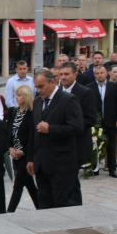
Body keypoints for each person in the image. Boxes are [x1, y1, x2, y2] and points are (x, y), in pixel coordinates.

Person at [27, 70, 84, 209]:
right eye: (36, 87)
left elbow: (77, 128)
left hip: (61, 164)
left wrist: (51, 129)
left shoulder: (68, 99)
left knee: (62, 201)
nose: (39, 90)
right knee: (44, 202)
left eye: (41, 86)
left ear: (52, 82)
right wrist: (30, 159)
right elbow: (32, 133)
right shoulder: (37, 101)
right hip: (41, 164)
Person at [59, 61, 97, 204]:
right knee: (65, 180)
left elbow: (91, 119)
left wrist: (72, 127)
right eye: (61, 74)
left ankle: (76, 207)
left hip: (77, 143)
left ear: (75, 75)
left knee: (71, 179)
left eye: (66, 74)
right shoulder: (57, 92)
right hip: (60, 144)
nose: (63, 77)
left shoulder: (85, 92)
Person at [6, 86, 38, 212]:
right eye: (16, 95)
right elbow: (9, 132)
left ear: (27, 96)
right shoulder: (13, 111)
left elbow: (33, 136)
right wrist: (9, 148)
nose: (17, 98)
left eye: (20, 95)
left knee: (18, 184)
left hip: (26, 154)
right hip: (15, 154)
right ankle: (40, 206)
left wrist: (22, 151)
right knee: (29, 184)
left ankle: (10, 211)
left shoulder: (32, 113)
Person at [86, 65, 117, 178]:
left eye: (102, 73)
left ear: (107, 73)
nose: (100, 75)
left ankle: (112, 168)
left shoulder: (114, 87)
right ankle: (95, 168)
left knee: (111, 145)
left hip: (110, 120)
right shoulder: (89, 87)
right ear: (94, 75)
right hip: (95, 122)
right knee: (95, 145)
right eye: (97, 73)